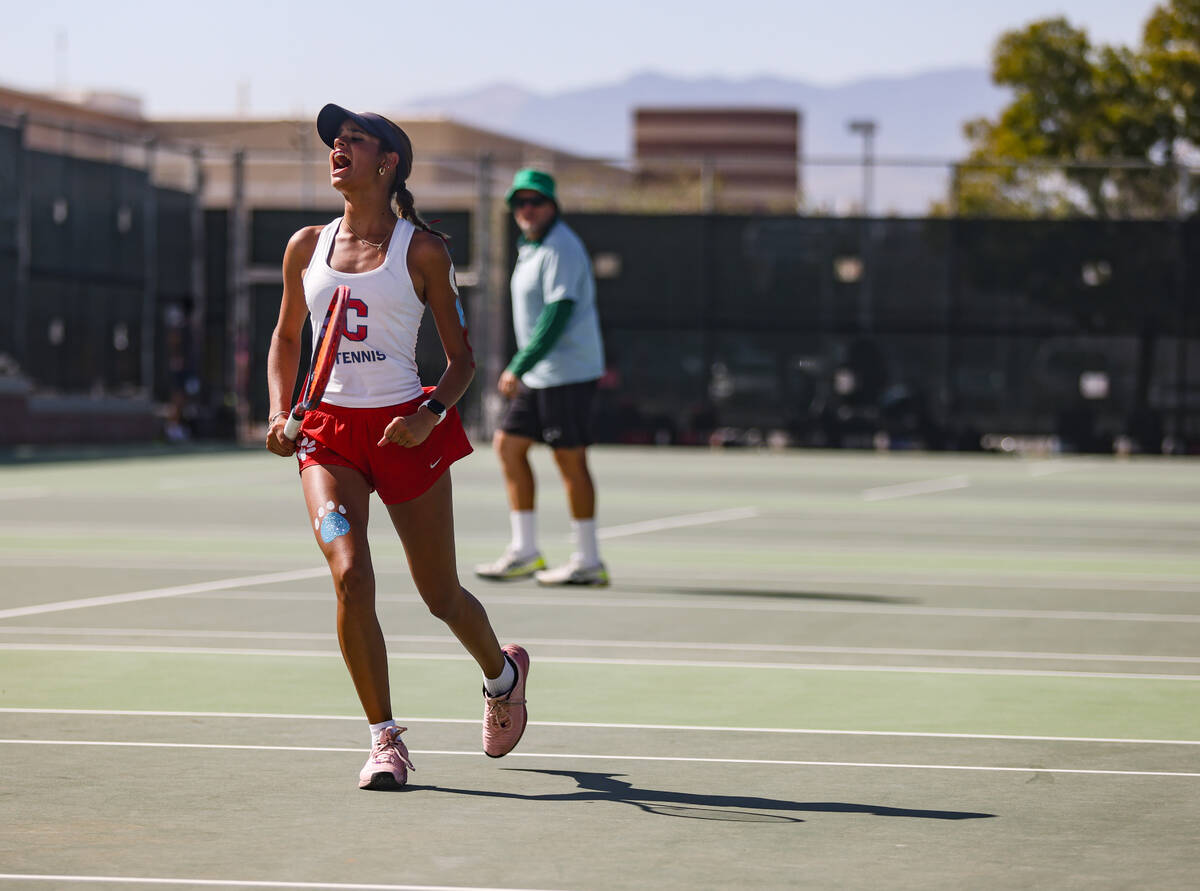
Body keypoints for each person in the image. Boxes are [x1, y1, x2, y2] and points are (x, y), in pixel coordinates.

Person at [265, 104, 529, 791]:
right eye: (334, 140)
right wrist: (276, 410)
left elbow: (462, 360)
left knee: (440, 595)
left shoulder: (424, 250)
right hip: (326, 440)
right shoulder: (305, 246)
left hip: (407, 430)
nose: (337, 148)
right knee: (351, 575)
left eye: (353, 139)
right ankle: (385, 739)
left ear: (388, 163)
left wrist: (430, 412)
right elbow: (287, 338)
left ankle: (502, 677)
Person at [474, 169, 609, 587]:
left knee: (569, 459)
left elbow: (558, 313)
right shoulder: (530, 248)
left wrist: (520, 364)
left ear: (552, 206)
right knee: (509, 446)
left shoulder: (561, 247)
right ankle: (525, 551)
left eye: (536, 202)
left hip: (566, 372)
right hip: (541, 374)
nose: (527, 209)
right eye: (519, 203)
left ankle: (588, 560)